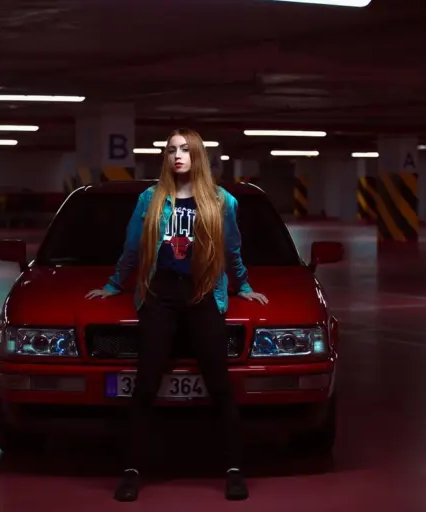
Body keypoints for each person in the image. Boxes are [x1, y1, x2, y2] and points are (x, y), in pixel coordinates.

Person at [85, 128, 268, 502]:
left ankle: (234, 470)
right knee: (146, 383)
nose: (178, 155)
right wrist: (114, 284)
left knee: (219, 384)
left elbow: (233, 250)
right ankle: (132, 471)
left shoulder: (222, 201)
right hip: (160, 297)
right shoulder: (150, 200)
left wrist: (244, 286)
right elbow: (132, 249)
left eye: (185, 149)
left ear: (198, 156)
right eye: (171, 150)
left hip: (203, 296)